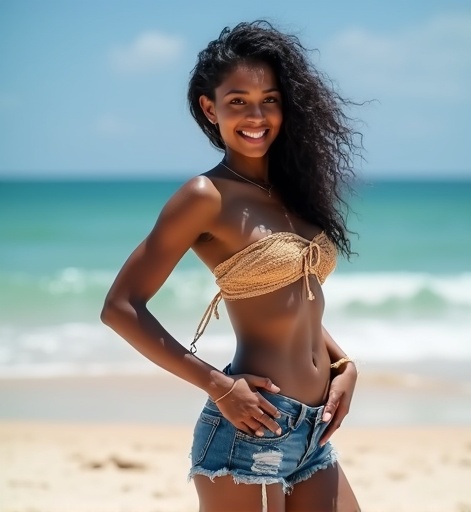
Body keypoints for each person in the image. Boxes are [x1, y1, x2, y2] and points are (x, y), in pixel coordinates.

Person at [101, 20, 361, 512]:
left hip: (312, 432)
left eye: (270, 99)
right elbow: (120, 307)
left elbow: (294, 305)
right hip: (251, 427)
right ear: (209, 107)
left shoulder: (294, 192)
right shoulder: (205, 197)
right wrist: (218, 386)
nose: (255, 114)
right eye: (237, 100)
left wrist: (342, 363)